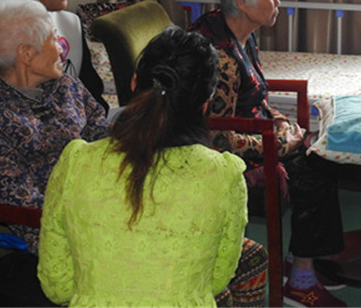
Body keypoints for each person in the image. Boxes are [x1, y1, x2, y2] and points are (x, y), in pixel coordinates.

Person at [38, 27, 251, 307]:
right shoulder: (225, 175)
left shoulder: (77, 162)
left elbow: (58, 285)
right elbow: (216, 280)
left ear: (134, 82)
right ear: (205, 104)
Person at [188, 0, 347, 307]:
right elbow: (216, 137)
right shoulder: (220, 57)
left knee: (319, 155)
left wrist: (278, 121)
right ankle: (299, 282)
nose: (278, 2)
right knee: (315, 170)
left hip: (254, 135)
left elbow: (254, 96)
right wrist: (280, 142)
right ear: (242, 3)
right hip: (218, 157)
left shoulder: (242, 33)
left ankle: (300, 260)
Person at [0, 0, 110, 255]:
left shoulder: (69, 86)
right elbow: (20, 200)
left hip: (107, 203)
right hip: (62, 233)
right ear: (26, 54)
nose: (61, 48)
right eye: (54, 38)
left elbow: (105, 139)